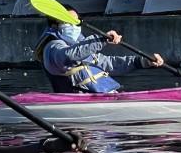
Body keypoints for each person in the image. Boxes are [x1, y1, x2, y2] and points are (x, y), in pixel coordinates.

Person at [34, 13, 164, 94]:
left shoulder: (79, 47)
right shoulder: (52, 48)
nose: (74, 26)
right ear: (55, 26)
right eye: (68, 22)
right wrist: (102, 39)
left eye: (76, 22)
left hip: (99, 99)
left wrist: (143, 61)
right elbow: (68, 56)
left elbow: (109, 63)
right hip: (76, 103)